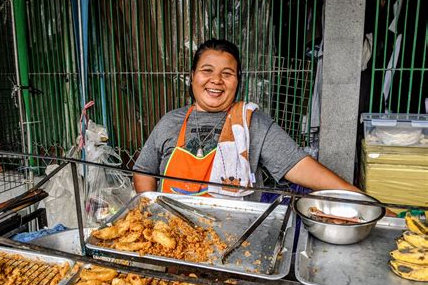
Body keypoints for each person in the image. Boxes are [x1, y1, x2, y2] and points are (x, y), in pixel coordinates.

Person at [133, 39, 359, 201]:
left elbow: (298, 166)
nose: (216, 80)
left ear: (238, 80)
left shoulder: (250, 123)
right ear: (192, 76)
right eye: (207, 70)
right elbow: (143, 169)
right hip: (173, 233)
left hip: (234, 237)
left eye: (227, 73)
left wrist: (362, 199)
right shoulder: (170, 121)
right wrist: (151, 210)